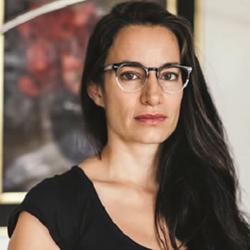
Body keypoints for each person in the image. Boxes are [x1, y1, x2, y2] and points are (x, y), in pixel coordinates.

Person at [7, 1, 250, 250]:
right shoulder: (53, 212)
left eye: (168, 75)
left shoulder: (209, 199)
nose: (153, 95)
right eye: (130, 74)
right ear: (96, 89)